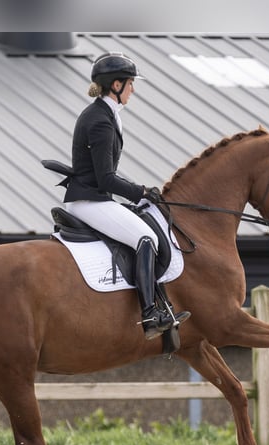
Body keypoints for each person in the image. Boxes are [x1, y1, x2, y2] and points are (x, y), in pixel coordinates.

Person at [62, 52, 190, 340]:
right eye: (131, 83)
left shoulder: (106, 114)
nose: (134, 89)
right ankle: (149, 315)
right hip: (89, 200)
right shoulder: (100, 121)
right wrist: (140, 192)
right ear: (117, 85)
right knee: (147, 238)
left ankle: (159, 306)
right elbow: (106, 178)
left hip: (96, 196)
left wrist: (138, 192)